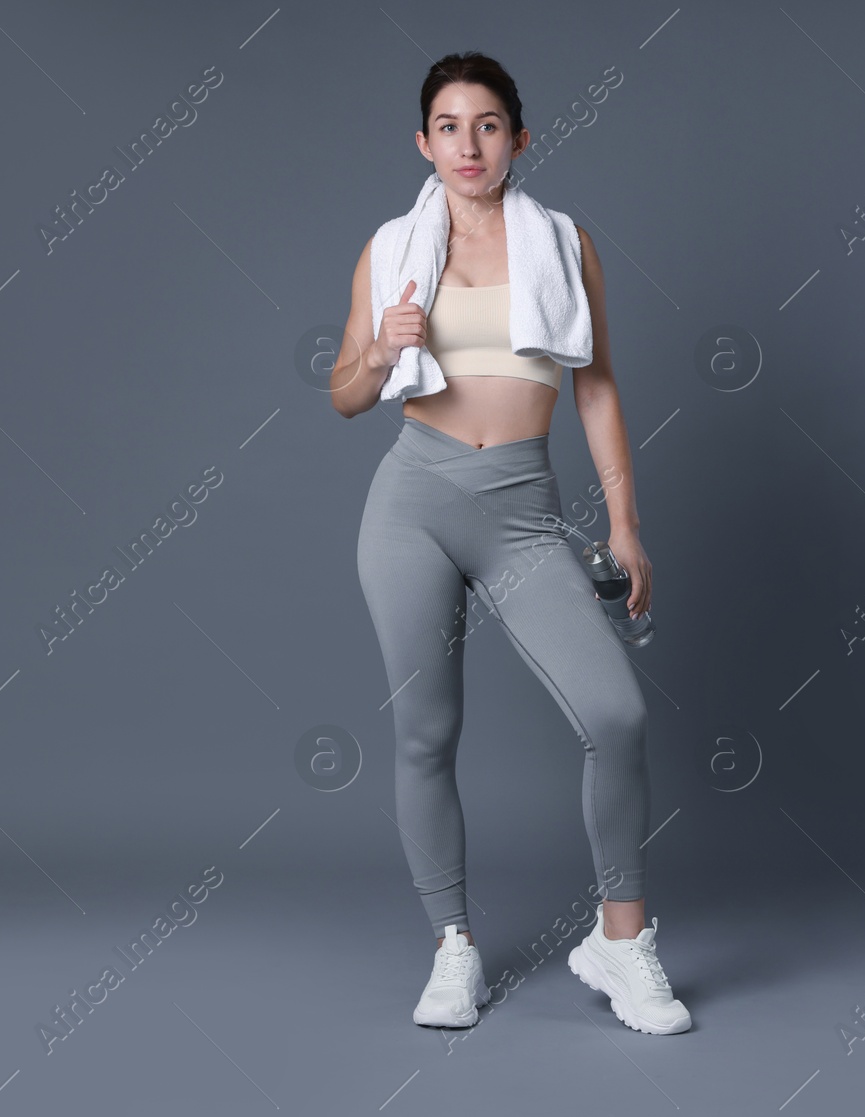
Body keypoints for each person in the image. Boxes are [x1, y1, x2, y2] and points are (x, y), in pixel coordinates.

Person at [329, 51, 690, 1036]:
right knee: (426, 732)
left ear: (519, 139)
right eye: (447, 126)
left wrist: (624, 523)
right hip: (412, 503)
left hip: (524, 509)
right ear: (423, 143)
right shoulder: (391, 247)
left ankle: (621, 941)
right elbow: (347, 394)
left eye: (487, 124)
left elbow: (598, 384)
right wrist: (378, 345)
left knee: (613, 715)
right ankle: (453, 948)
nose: (468, 144)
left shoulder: (563, 243)